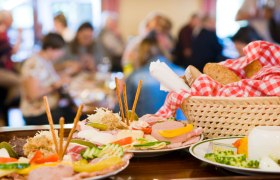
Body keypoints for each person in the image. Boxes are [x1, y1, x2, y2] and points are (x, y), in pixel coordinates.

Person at [121, 32, 185, 119]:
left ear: (141, 54)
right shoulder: (183, 73)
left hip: (147, 130)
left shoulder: (134, 77)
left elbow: (122, 112)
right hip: (181, 129)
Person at [20, 33, 74, 125]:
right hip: (36, 114)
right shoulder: (33, 64)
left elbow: (46, 79)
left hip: (49, 108)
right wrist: (55, 85)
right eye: (59, 50)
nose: (61, 54)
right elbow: (33, 95)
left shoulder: (45, 61)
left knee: (73, 111)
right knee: (76, 116)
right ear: (50, 49)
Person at [0, 10, 22, 125]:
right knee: (19, 82)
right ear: (5, 19)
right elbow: (14, 51)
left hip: (4, 69)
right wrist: (20, 35)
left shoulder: (3, 32)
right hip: (1, 71)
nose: (13, 20)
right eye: (11, 18)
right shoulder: (2, 32)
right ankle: (7, 106)